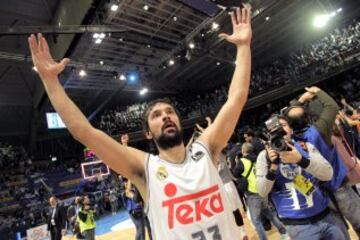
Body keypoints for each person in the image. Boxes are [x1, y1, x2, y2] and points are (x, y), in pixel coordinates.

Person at [28, 5, 252, 239]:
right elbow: (83, 131)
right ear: (147, 133)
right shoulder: (144, 168)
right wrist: (50, 81)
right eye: (156, 115)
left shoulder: (206, 148)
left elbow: (236, 99)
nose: (165, 116)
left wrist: (244, 46)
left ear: (178, 120)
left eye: (169, 112)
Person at [284, 87, 360, 237]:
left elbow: (295, 177)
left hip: (320, 197)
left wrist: (311, 192)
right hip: (339, 187)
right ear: (307, 117)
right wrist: (316, 91)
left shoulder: (289, 146)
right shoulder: (320, 129)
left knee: (340, 234)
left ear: (289, 126)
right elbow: (332, 106)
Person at [257, 115, 346, 240]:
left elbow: (328, 174)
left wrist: (301, 160)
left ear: (291, 130)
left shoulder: (305, 147)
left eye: (282, 126)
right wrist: (272, 168)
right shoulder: (265, 157)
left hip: (325, 216)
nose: (279, 132)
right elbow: (262, 191)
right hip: (297, 224)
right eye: (274, 130)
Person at [234, 143, 288, 240]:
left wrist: (236, 161)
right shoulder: (259, 158)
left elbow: (235, 174)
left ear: (243, 151)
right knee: (268, 212)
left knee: (256, 220)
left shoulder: (242, 161)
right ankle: (283, 231)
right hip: (263, 189)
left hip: (252, 193)